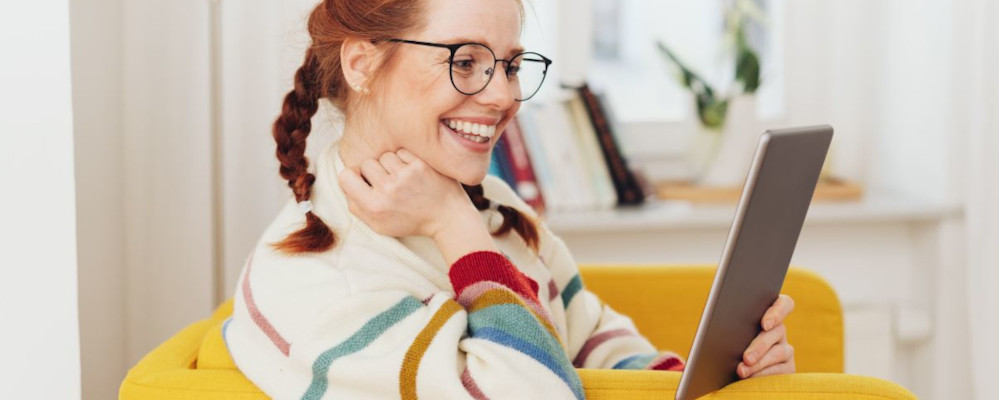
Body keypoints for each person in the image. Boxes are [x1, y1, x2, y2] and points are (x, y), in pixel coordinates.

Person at [223, 0, 796, 398]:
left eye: (513, 65)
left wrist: (724, 383)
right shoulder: (311, 281)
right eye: (465, 61)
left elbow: (589, 336)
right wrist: (453, 225)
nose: (503, 96)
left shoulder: (496, 208)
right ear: (361, 63)